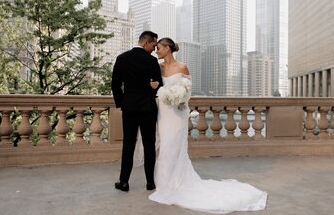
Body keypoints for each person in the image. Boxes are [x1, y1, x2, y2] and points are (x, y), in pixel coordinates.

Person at [148, 37, 268, 214]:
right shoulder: (158, 67)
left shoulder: (182, 67)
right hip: (164, 112)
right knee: (165, 145)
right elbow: (153, 84)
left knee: (174, 145)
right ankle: (165, 183)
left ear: (167, 48)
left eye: (158, 48)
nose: (156, 51)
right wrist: (154, 87)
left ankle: (176, 182)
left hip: (178, 112)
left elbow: (187, 89)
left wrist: (181, 100)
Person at [111, 30, 163, 192]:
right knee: (149, 145)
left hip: (129, 108)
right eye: (154, 44)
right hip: (148, 108)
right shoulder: (152, 61)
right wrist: (152, 88)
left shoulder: (122, 58)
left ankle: (124, 182)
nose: (154, 48)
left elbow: (115, 85)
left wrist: (122, 103)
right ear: (146, 42)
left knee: (128, 144)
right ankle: (150, 182)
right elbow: (159, 85)